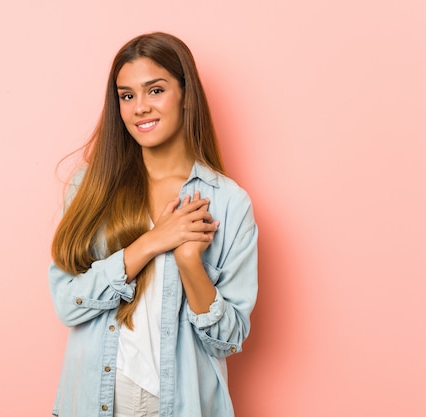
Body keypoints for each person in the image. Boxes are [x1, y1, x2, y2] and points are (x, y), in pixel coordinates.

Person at [48, 32, 258, 417]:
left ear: (185, 93)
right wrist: (151, 242)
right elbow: (67, 304)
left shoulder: (228, 202)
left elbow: (227, 342)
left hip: (181, 403)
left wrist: (190, 262)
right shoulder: (90, 187)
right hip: (96, 400)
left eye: (155, 90)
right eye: (127, 96)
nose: (139, 107)